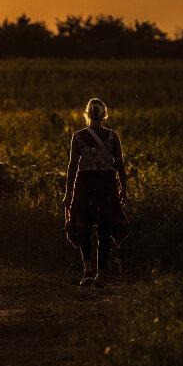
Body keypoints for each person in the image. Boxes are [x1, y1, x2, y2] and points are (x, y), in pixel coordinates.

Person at [62, 98, 130, 286]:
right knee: (104, 230)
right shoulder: (113, 136)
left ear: (87, 114)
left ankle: (87, 271)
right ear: (104, 114)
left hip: (84, 185)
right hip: (107, 185)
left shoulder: (77, 137)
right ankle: (101, 275)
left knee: (84, 227)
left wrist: (68, 193)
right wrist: (123, 189)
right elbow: (121, 166)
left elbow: (72, 167)